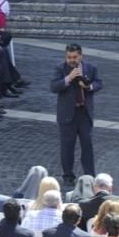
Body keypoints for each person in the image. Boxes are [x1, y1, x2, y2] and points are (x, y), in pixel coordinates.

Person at [51, 43, 103, 186]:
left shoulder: (91, 68)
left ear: (81, 56)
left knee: (88, 145)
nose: (72, 60)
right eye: (69, 57)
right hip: (67, 114)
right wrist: (68, 78)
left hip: (84, 114)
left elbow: (98, 83)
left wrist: (89, 86)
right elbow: (54, 86)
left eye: (74, 57)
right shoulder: (60, 69)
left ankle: (90, 175)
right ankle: (68, 175)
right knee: (67, 147)